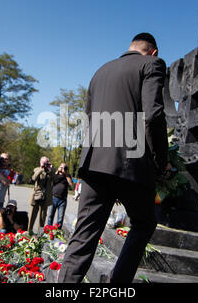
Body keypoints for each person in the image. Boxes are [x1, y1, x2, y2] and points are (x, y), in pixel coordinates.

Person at [57, 33, 171, 283]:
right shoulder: (152, 64)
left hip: (94, 162)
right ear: (153, 52)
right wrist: (161, 160)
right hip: (132, 162)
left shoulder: (101, 70)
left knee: (83, 236)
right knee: (143, 223)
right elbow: (153, 116)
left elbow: (88, 118)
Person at [28, 157, 54, 234]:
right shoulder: (37, 169)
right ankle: (29, 231)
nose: (46, 164)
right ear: (41, 163)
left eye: (47, 162)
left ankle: (40, 234)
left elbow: (55, 179)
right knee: (32, 216)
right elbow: (34, 178)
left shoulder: (50, 171)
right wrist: (41, 169)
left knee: (42, 218)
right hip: (36, 196)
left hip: (45, 198)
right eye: (45, 162)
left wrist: (51, 170)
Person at [47, 163, 73, 229]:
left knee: (60, 218)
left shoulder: (67, 176)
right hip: (53, 198)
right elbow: (52, 179)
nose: (62, 169)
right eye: (61, 167)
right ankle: (48, 231)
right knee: (50, 216)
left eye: (64, 167)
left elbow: (71, 184)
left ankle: (57, 232)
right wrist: (58, 171)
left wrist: (66, 174)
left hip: (62, 200)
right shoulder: (56, 174)